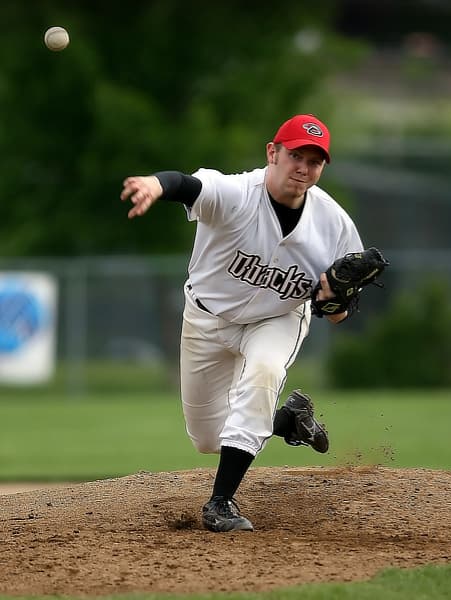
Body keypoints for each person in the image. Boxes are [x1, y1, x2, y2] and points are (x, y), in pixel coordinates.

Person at [120, 114, 364, 532]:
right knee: (207, 438)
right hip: (206, 320)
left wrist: (333, 302)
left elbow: (340, 312)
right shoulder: (236, 194)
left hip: (277, 318)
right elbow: (187, 184)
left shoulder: (335, 225)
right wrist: (154, 185)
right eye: (295, 156)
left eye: (315, 160)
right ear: (273, 153)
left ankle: (221, 503)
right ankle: (288, 420)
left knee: (265, 372)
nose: (303, 168)